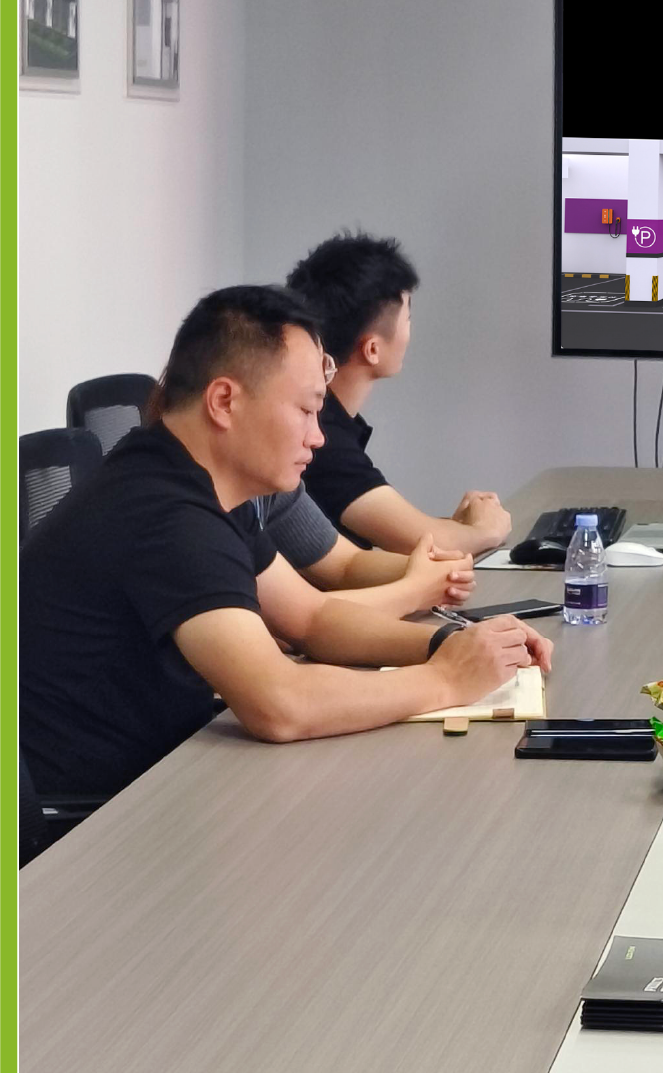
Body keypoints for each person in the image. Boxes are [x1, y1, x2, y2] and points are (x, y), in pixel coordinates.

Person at [20, 285, 550, 802]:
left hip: (163, 773)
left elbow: (311, 619)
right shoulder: (167, 514)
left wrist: (452, 644)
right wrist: (446, 679)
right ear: (224, 401)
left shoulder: (192, 479)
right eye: (305, 410)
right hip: (94, 820)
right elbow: (280, 704)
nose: (317, 436)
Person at [286, 232, 511, 556]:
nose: (409, 331)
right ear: (372, 349)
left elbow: (415, 535)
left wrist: (459, 528)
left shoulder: (329, 421)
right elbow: (426, 543)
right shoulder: (322, 438)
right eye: (407, 318)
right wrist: (488, 528)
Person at [250, 483, 476, 618]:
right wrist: (415, 591)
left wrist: (432, 571)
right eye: (305, 417)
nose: (318, 439)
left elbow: (344, 563)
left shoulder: (271, 486)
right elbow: (302, 617)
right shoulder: (230, 508)